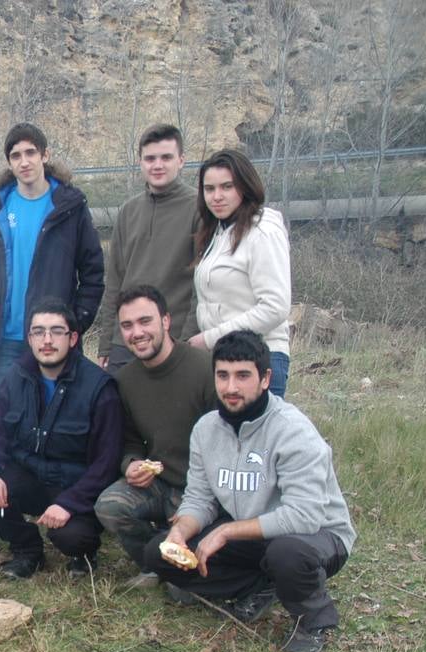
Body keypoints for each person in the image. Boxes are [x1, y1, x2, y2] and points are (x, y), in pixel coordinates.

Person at [144, 330, 354, 652]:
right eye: (223, 375)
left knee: (287, 555)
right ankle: (260, 586)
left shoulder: (293, 431)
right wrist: (179, 531)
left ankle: (314, 621)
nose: (231, 387)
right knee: (157, 553)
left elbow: (305, 514)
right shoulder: (206, 429)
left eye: (243, 376)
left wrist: (226, 532)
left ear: (265, 378)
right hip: (253, 534)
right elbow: (200, 497)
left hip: (317, 535)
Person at [0, 301, 123, 579]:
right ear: (29, 338)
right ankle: (27, 550)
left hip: (75, 485)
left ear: (73, 338)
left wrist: (69, 504)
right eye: (39, 332)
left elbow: (107, 463)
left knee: (72, 538)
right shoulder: (15, 378)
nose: (47, 340)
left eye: (57, 331)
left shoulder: (99, 388)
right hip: (30, 476)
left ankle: (84, 553)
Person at [0, 123, 105, 402]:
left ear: (45, 155)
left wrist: (74, 323)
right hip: (5, 339)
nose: (24, 161)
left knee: (55, 419)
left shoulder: (69, 207)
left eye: (30, 152)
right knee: (0, 421)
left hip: (52, 337)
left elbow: (93, 273)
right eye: (16, 155)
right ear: (9, 163)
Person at [93, 286, 215, 587]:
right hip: (160, 484)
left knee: (185, 593)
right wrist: (131, 463)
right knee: (109, 505)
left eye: (145, 321)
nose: (137, 332)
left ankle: (179, 565)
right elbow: (130, 440)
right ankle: (154, 563)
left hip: (203, 493)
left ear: (165, 321)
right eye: (127, 326)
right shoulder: (126, 380)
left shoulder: (204, 369)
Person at [189, 149, 292, 396]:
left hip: (260, 358)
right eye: (209, 189)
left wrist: (209, 338)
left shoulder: (263, 232)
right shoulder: (219, 231)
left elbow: (275, 306)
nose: (217, 196)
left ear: (245, 186)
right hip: (225, 358)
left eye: (227, 187)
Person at [97, 125, 199, 373]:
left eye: (166, 157)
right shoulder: (128, 211)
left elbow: (202, 286)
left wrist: (186, 342)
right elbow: (115, 282)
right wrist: (106, 343)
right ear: (140, 162)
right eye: (150, 158)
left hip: (172, 341)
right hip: (125, 342)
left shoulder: (200, 209)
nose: (157, 165)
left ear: (181, 160)